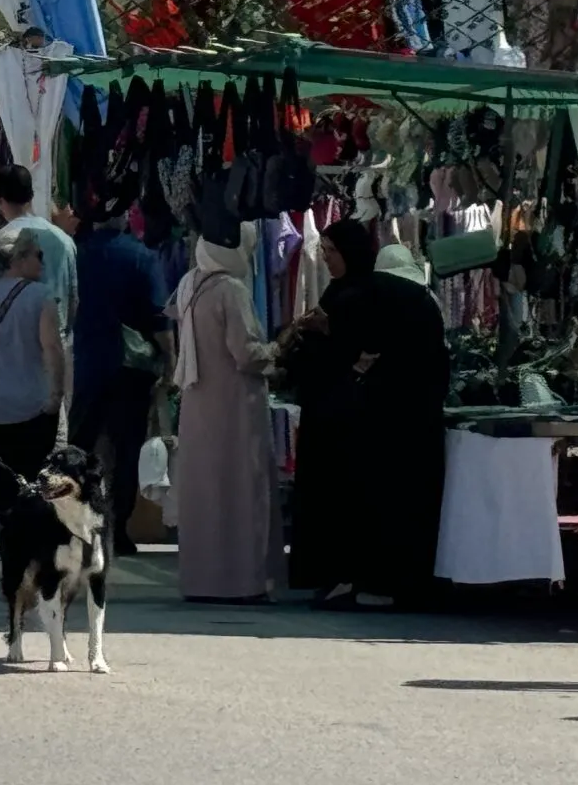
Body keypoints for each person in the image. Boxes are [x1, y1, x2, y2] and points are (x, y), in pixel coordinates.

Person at [284, 218, 450, 609]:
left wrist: (331, 336)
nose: (326, 259)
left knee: (380, 502)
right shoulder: (395, 299)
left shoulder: (371, 298)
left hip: (383, 419)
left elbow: (364, 347)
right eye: (323, 251)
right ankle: (365, 581)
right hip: (383, 417)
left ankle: (374, 584)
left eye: (332, 251)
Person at [173, 233, 278, 602]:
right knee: (240, 487)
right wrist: (278, 349)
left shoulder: (190, 284)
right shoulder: (231, 290)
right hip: (234, 404)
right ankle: (241, 582)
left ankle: (202, 580)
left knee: (205, 489)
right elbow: (246, 353)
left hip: (199, 402)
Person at [71, 198, 170, 553]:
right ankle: (118, 528)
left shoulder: (77, 254)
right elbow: (159, 318)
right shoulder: (141, 256)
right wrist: (171, 361)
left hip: (88, 362)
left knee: (81, 447)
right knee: (126, 450)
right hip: (131, 368)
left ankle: (77, 523)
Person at [0, 223, 67, 495]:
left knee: (7, 487)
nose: (42, 262)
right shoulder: (40, 296)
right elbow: (52, 348)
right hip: (31, 405)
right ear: (20, 258)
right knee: (35, 486)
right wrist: (56, 395)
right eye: (38, 255)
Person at [0, 162, 77, 342]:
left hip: (18, 347)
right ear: (32, 195)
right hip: (58, 344)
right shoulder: (65, 241)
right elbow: (73, 301)